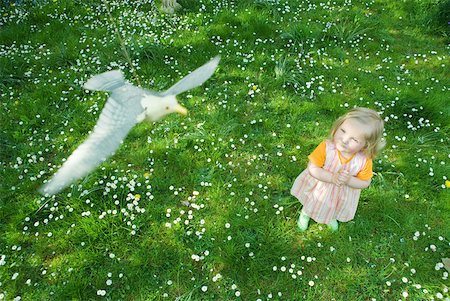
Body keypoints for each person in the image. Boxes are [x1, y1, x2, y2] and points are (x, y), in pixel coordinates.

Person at [290, 107, 385, 232]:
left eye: (354, 139)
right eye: (343, 131)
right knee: (313, 201)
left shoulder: (364, 160)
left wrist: (349, 180)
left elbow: (365, 182)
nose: (344, 140)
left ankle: (330, 217)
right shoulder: (326, 148)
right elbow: (312, 168)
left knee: (334, 206)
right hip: (320, 185)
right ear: (338, 126)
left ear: (365, 145)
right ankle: (305, 214)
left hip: (342, 192)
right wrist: (332, 178)